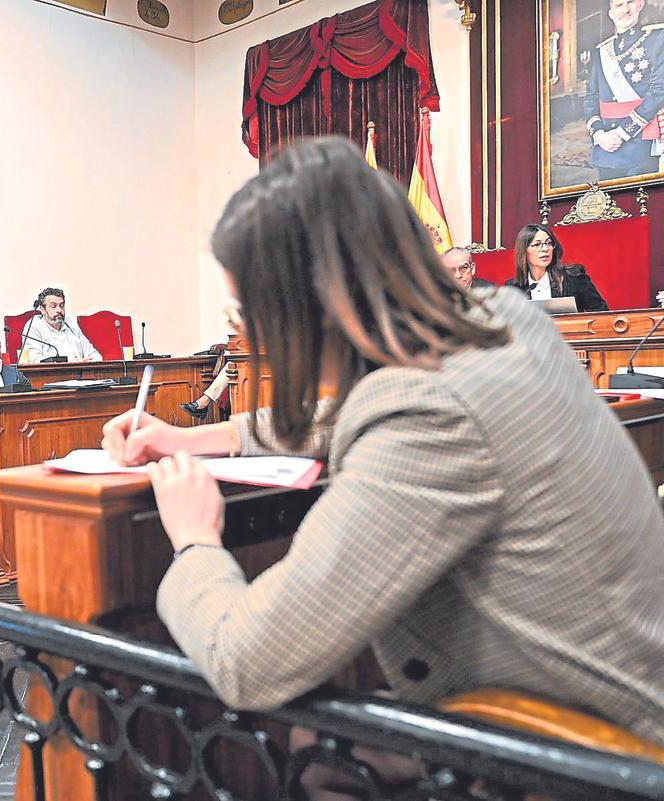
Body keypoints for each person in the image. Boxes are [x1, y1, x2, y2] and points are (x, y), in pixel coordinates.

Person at [101, 137, 664, 762]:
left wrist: (195, 542)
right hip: (626, 695)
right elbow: (346, 415)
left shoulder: (425, 413)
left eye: (248, 307)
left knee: (314, 753)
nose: (246, 329)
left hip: (600, 762)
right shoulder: (506, 320)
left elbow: (247, 661)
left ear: (309, 301)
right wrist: (196, 437)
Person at [581, 0, 664, 181]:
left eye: (630, 2)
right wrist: (599, 134)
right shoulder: (602, 50)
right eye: (619, 5)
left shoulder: (658, 38)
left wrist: (621, 133)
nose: (625, 9)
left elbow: (659, 92)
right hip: (606, 145)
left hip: (642, 140)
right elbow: (590, 97)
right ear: (610, 12)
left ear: (640, 4)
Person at [503, 224, 609, 312]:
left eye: (549, 243)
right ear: (524, 251)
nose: (545, 249)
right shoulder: (514, 288)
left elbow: (601, 313)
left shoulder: (574, 277)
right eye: (537, 245)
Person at [19, 287, 101, 363]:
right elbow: (33, 360)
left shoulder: (70, 324)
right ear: (42, 309)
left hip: (81, 375)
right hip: (50, 376)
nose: (59, 310)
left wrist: (84, 364)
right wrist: (73, 363)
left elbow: (95, 355)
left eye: (61, 305)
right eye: (53, 306)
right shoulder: (34, 325)